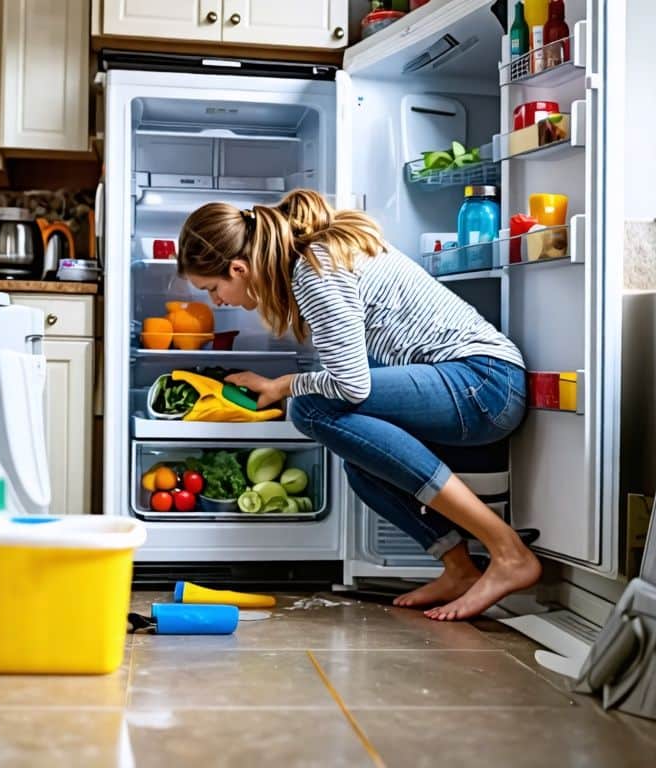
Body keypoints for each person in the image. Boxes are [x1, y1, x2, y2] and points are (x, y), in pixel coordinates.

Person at [176, 189, 538, 621]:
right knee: (361, 462)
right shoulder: (313, 259)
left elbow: (350, 386)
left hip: (484, 383)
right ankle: (459, 567)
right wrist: (280, 385)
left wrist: (287, 385)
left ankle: (508, 551)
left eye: (214, 289)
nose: (217, 302)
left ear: (239, 268)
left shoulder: (313, 271)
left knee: (310, 408)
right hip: (470, 388)